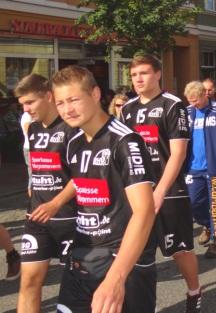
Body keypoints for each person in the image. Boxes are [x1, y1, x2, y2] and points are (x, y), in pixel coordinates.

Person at [31, 65, 157, 312]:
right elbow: (84, 186)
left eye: (74, 99)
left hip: (123, 259)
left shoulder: (125, 141)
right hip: (83, 253)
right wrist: (55, 203)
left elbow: (145, 211)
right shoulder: (74, 142)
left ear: (96, 94)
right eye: (60, 103)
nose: (67, 109)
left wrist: (116, 278)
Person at [121, 54, 202, 312]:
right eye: (134, 75)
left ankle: (194, 291)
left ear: (158, 74)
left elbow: (178, 154)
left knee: (178, 250)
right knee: (138, 252)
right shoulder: (128, 109)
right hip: (137, 192)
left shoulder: (173, 105)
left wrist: (160, 191)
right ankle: (143, 302)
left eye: (144, 73)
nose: (139, 79)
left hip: (169, 191)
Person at [14, 74, 77, 313]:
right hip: (37, 218)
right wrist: (33, 182)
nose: (26, 109)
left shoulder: (72, 128)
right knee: (29, 281)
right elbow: (34, 163)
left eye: (30, 102)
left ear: (49, 96)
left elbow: (84, 174)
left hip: (71, 218)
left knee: (79, 286)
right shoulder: (32, 128)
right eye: (22, 105)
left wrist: (56, 202)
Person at [184, 81, 216, 258]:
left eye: (196, 100)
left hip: (215, 166)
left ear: (205, 94)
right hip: (192, 168)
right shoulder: (187, 113)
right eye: (190, 101)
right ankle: (208, 225)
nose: (193, 104)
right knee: (192, 203)